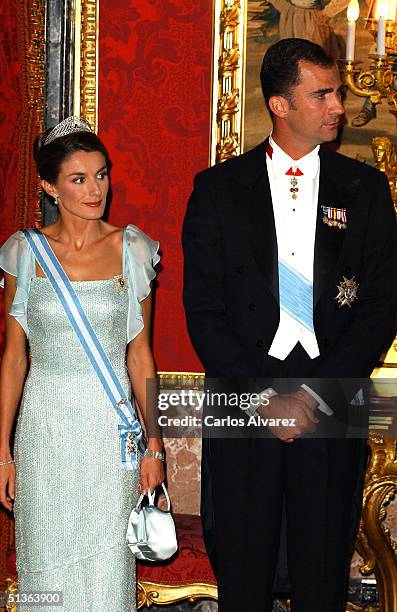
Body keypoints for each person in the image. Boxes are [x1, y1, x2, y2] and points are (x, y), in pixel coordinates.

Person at [182, 39, 397, 612]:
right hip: (246, 388)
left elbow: (381, 305)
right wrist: (262, 398)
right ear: (280, 104)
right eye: (321, 94)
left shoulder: (366, 189)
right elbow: (203, 310)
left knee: (322, 570)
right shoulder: (218, 189)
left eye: (338, 92)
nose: (337, 106)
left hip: (330, 390)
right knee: (244, 572)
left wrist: (314, 393)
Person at [0, 116, 164, 611]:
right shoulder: (24, 252)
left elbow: (141, 356)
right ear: (50, 186)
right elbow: (13, 356)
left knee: (106, 564)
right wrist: (2, 451)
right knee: (45, 564)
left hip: (110, 430)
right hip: (45, 428)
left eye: (101, 174)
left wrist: (154, 443)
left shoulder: (133, 249)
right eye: (78, 179)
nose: (95, 190)